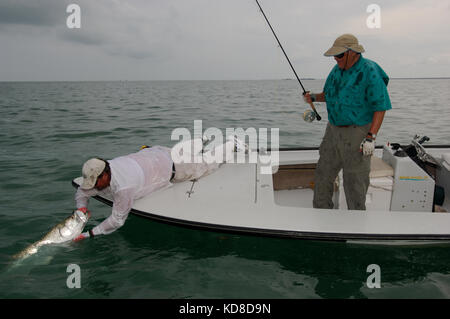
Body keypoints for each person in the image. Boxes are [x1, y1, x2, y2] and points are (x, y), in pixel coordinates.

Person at [73, 137, 245, 241]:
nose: (93, 188)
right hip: (154, 152)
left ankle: (232, 144)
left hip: (173, 167)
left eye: (96, 183)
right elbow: (82, 192)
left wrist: (89, 234)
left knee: (208, 164)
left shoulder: (124, 187)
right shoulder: (109, 164)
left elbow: (117, 220)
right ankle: (200, 141)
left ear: (105, 174)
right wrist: (82, 208)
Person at [304, 34, 392, 210]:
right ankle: (321, 214)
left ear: (353, 52)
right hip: (333, 130)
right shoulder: (337, 69)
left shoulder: (370, 70)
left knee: (354, 181)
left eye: (339, 55)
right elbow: (327, 95)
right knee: (323, 173)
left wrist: (370, 138)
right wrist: (313, 96)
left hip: (357, 131)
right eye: (334, 56)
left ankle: (356, 220)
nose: (336, 59)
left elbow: (381, 107)